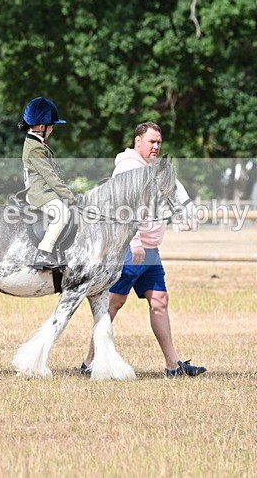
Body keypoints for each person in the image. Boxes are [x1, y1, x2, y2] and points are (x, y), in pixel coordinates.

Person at [81, 122, 207, 378]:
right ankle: (89, 362)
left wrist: (189, 214)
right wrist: (135, 241)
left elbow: (176, 188)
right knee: (113, 303)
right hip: (128, 249)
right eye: (152, 142)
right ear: (138, 142)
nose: (156, 146)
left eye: (159, 142)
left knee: (159, 301)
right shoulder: (128, 167)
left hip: (150, 251)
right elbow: (122, 208)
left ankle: (173, 366)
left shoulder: (156, 168)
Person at [19, 97, 77, 269]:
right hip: (39, 193)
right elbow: (50, 176)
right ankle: (44, 252)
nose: (53, 128)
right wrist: (69, 196)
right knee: (63, 214)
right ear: (42, 126)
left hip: (44, 190)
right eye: (52, 125)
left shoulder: (36, 143)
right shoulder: (35, 148)